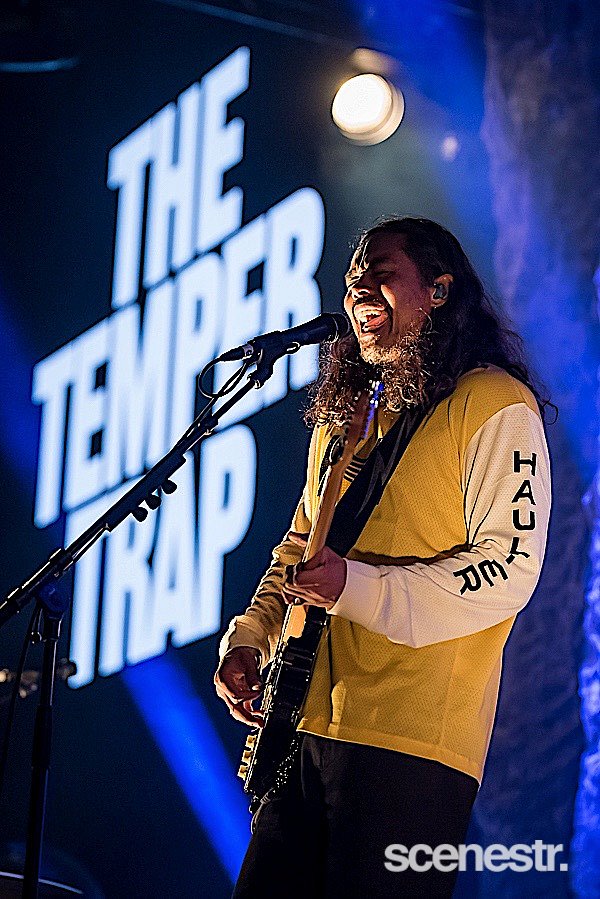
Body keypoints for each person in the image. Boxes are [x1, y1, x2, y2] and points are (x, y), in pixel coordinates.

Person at [214, 217, 551, 898]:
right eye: (352, 278)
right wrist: (250, 636)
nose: (359, 287)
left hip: (414, 747)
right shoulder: (345, 421)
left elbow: (509, 569)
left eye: (382, 273)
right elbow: (298, 550)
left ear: (439, 290)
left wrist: (356, 588)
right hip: (303, 727)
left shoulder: (495, 403)